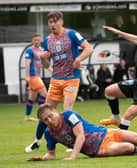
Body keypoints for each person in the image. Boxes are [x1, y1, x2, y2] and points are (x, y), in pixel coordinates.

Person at [25, 11, 93, 152]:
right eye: (50, 22)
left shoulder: (72, 34)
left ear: (61, 21)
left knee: (67, 112)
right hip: (56, 80)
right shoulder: (48, 40)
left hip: (71, 79)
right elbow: (46, 64)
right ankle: (37, 141)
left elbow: (89, 48)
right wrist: (44, 59)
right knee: (45, 112)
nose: (53, 24)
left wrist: (79, 59)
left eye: (55, 21)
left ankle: (73, 143)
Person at [27, 104, 137, 161]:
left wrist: (73, 156)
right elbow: (51, 154)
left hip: (106, 133)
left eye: (50, 116)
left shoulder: (68, 115)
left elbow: (80, 135)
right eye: (45, 120)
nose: (49, 121)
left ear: (55, 112)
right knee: (129, 147)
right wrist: (43, 158)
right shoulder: (49, 133)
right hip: (98, 149)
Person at [24, 34, 52, 121]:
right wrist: (27, 76)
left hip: (37, 76)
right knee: (44, 93)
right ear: (32, 41)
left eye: (38, 40)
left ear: (40, 41)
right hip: (33, 76)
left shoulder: (41, 51)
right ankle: (42, 116)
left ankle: (27, 116)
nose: (36, 41)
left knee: (32, 97)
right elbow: (27, 63)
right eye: (35, 40)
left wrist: (52, 70)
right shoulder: (29, 50)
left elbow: (44, 64)